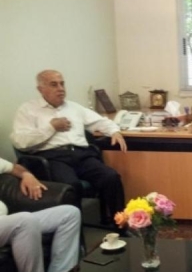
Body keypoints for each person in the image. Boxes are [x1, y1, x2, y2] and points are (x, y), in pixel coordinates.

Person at [11, 69, 128, 233]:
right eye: (54, 85)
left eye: (62, 84)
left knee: (111, 177)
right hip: (52, 157)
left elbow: (100, 121)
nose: (60, 88)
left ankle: (120, 226)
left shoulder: (74, 107)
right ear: (41, 89)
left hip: (81, 155)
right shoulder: (28, 110)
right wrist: (51, 127)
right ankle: (73, 232)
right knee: (71, 186)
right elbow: (21, 142)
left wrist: (114, 131)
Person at [0, 157, 81, 272]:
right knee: (25, 221)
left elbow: (14, 168)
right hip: (10, 223)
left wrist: (27, 175)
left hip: (5, 221)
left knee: (69, 214)